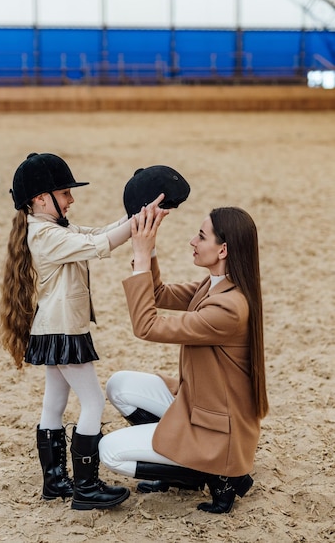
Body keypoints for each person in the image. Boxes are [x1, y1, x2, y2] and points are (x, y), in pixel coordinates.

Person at [99, 204, 269, 514]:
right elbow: (159, 292)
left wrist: (139, 255)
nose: (192, 240)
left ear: (223, 250)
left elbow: (147, 326)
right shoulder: (216, 285)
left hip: (216, 429)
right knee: (118, 385)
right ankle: (191, 470)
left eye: (201, 236)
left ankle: (208, 471)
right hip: (198, 402)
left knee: (109, 452)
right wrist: (148, 250)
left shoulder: (228, 309)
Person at [0, 152, 139, 511]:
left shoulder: (53, 228)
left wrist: (135, 217)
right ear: (41, 199)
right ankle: (86, 487)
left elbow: (96, 233)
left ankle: (56, 482)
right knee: (93, 401)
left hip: (53, 327)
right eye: (64, 193)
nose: (71, 199)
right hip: (63, 330)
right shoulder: (45, 235)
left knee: (55, 401)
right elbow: (98, 245)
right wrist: (138, 223)